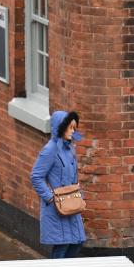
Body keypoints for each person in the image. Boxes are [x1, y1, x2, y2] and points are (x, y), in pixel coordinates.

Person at [30, 110, 86, 258]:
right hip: (57, 206)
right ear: (61, 128)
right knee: (63, 245)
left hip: (71, 203)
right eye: (70, 128)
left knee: (77, 242)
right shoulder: (50, 150)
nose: (73, 131)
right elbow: (36, 176)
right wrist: (50, 198)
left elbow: (73, 176)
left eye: (74, 128)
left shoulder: (69, 148)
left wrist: (79, 195)